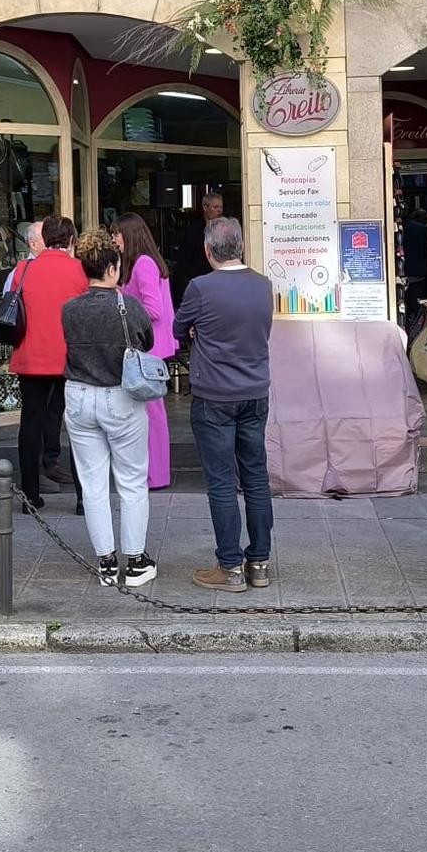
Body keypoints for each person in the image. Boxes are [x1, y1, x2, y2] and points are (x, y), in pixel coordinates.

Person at [175, 216, 275, 592]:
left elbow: (176, 329)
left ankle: (230, 566)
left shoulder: (200, 287)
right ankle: (260, 562)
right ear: (242, 248)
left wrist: (198, 331)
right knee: (256, 477)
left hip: (214, 395)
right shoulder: (263, 285)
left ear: (207, 250)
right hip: (255, 391)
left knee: (221, 482)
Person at [60, 227, 160, 587]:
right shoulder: (128, 306)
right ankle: (134, 560)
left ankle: (105, 562)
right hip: (120, 395)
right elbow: (146, 340)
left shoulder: (69, 309)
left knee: (93, 484)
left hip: (79, 395)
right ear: (114, 267)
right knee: (132, 481)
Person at [10, 215, 89, 510]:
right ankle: (83, 498)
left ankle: (30, 495)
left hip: (31, 356)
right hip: (71, 357)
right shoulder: (80, 270)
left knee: (30, 424)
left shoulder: (24, 269)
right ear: (71, 240)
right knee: (78, 427)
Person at [114, 212, 178, 490]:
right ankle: (153, 472)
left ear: (129, 235)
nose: (114, 239)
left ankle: (157, 474)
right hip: (151, 348)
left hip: (149, 350)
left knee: (153, 414)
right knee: (151, 413)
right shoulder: (144, 263)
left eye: (116, 234)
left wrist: (122, 304)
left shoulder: (142, 265)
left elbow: (153, 309)